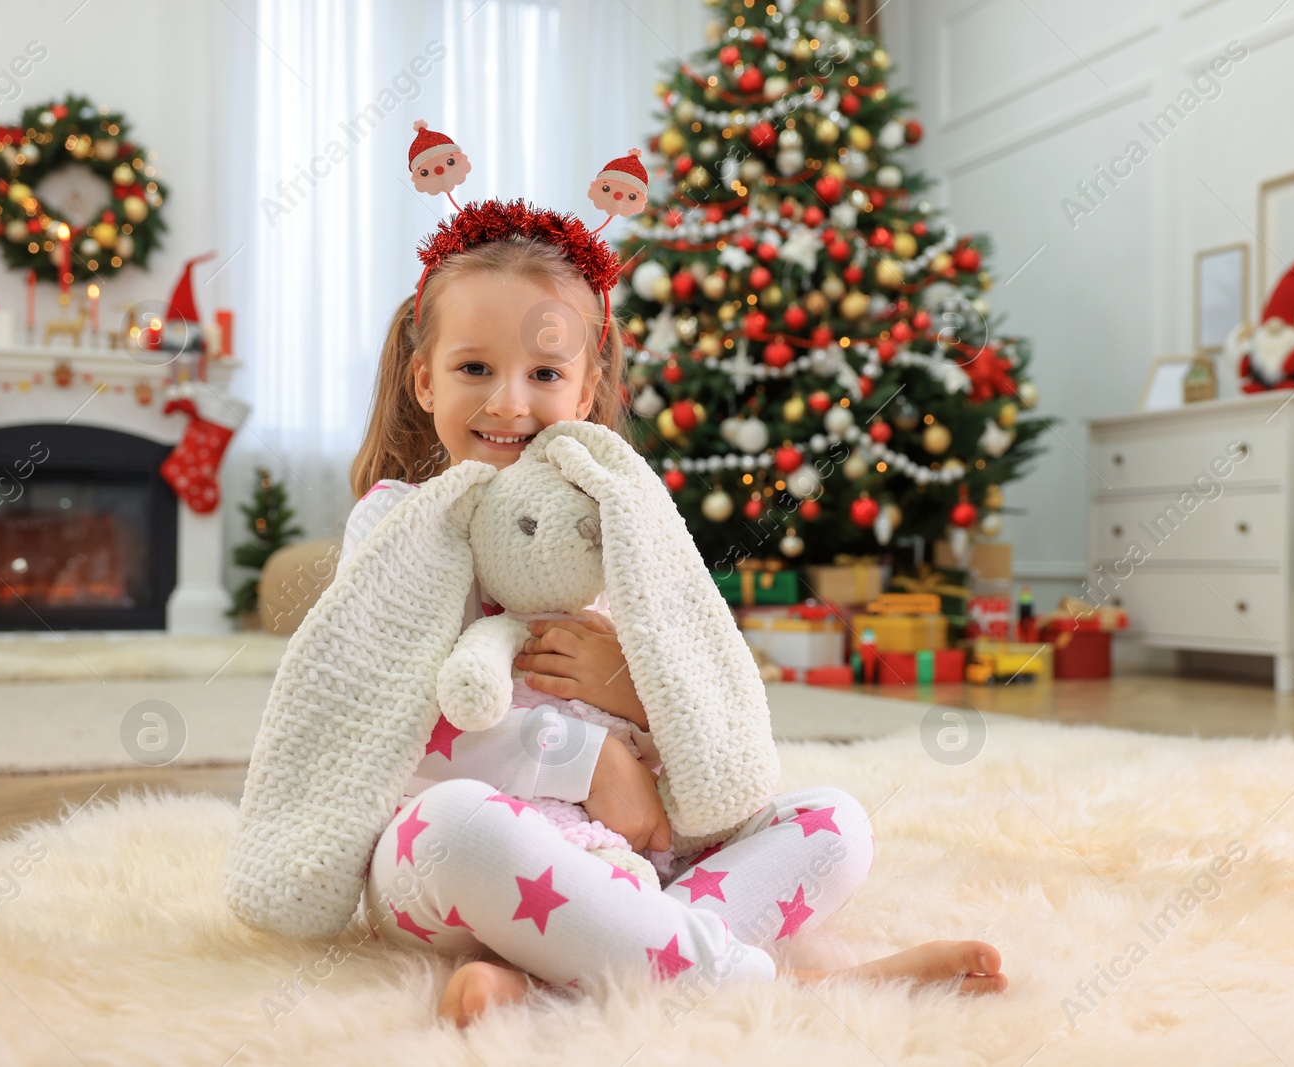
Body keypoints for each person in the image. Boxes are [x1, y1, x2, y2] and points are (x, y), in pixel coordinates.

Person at [339, 139, 1006, 1027]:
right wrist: (590, 759)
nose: (508, 402)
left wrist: (640, 703)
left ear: (584, 392)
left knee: (834, 821)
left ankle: (553, 983)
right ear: (425, 378)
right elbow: (387, 722)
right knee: (458, 824)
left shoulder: (616, 516)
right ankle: (792, 991)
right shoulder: (394, 522)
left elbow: (698, 684)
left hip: (624, 854)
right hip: (458, 863)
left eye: (543, 373)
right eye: (474, 369)